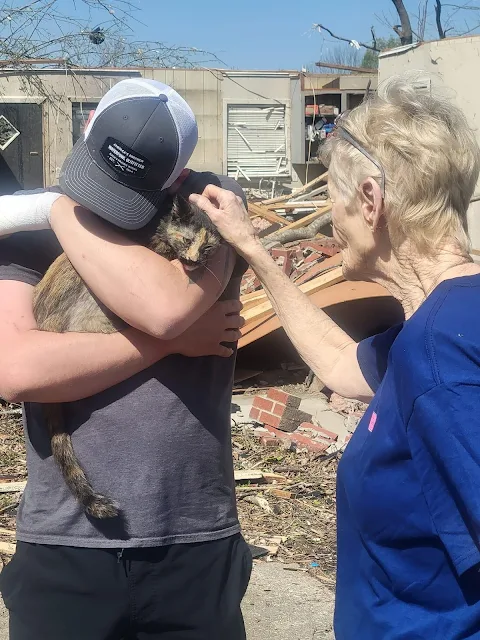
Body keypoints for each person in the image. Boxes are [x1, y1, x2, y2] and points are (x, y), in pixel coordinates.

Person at [190, 74, 480, 639]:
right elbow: (342, 366)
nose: (330, 216)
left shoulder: (440, 356)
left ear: (371, 200)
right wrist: (252, 246)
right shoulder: (435, 329)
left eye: (333, 196)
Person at [0, 78, 251, 639]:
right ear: (87, 132)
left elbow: (164, 306)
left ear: (177, 179)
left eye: (129, 193)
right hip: (66, 541)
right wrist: (170, 343)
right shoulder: (29, 236)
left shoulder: (212, 214)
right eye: (96, 182)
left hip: (191, 535)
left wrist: (58, 210)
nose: (105, 206)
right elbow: (17, 371)